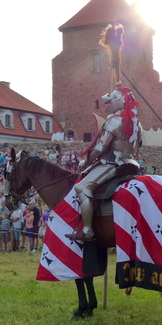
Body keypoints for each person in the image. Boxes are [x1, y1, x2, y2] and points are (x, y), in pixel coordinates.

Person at [65, 85, 141, 241]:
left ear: (119, 102)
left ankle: (87, 231)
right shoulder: (136, 122)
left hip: (114, 163)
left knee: (82, 187)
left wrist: (86, 161)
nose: (108, 105)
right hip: (132, 164)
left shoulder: (113, 122)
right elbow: (138, 146)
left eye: (111, 101)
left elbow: (100, 148)